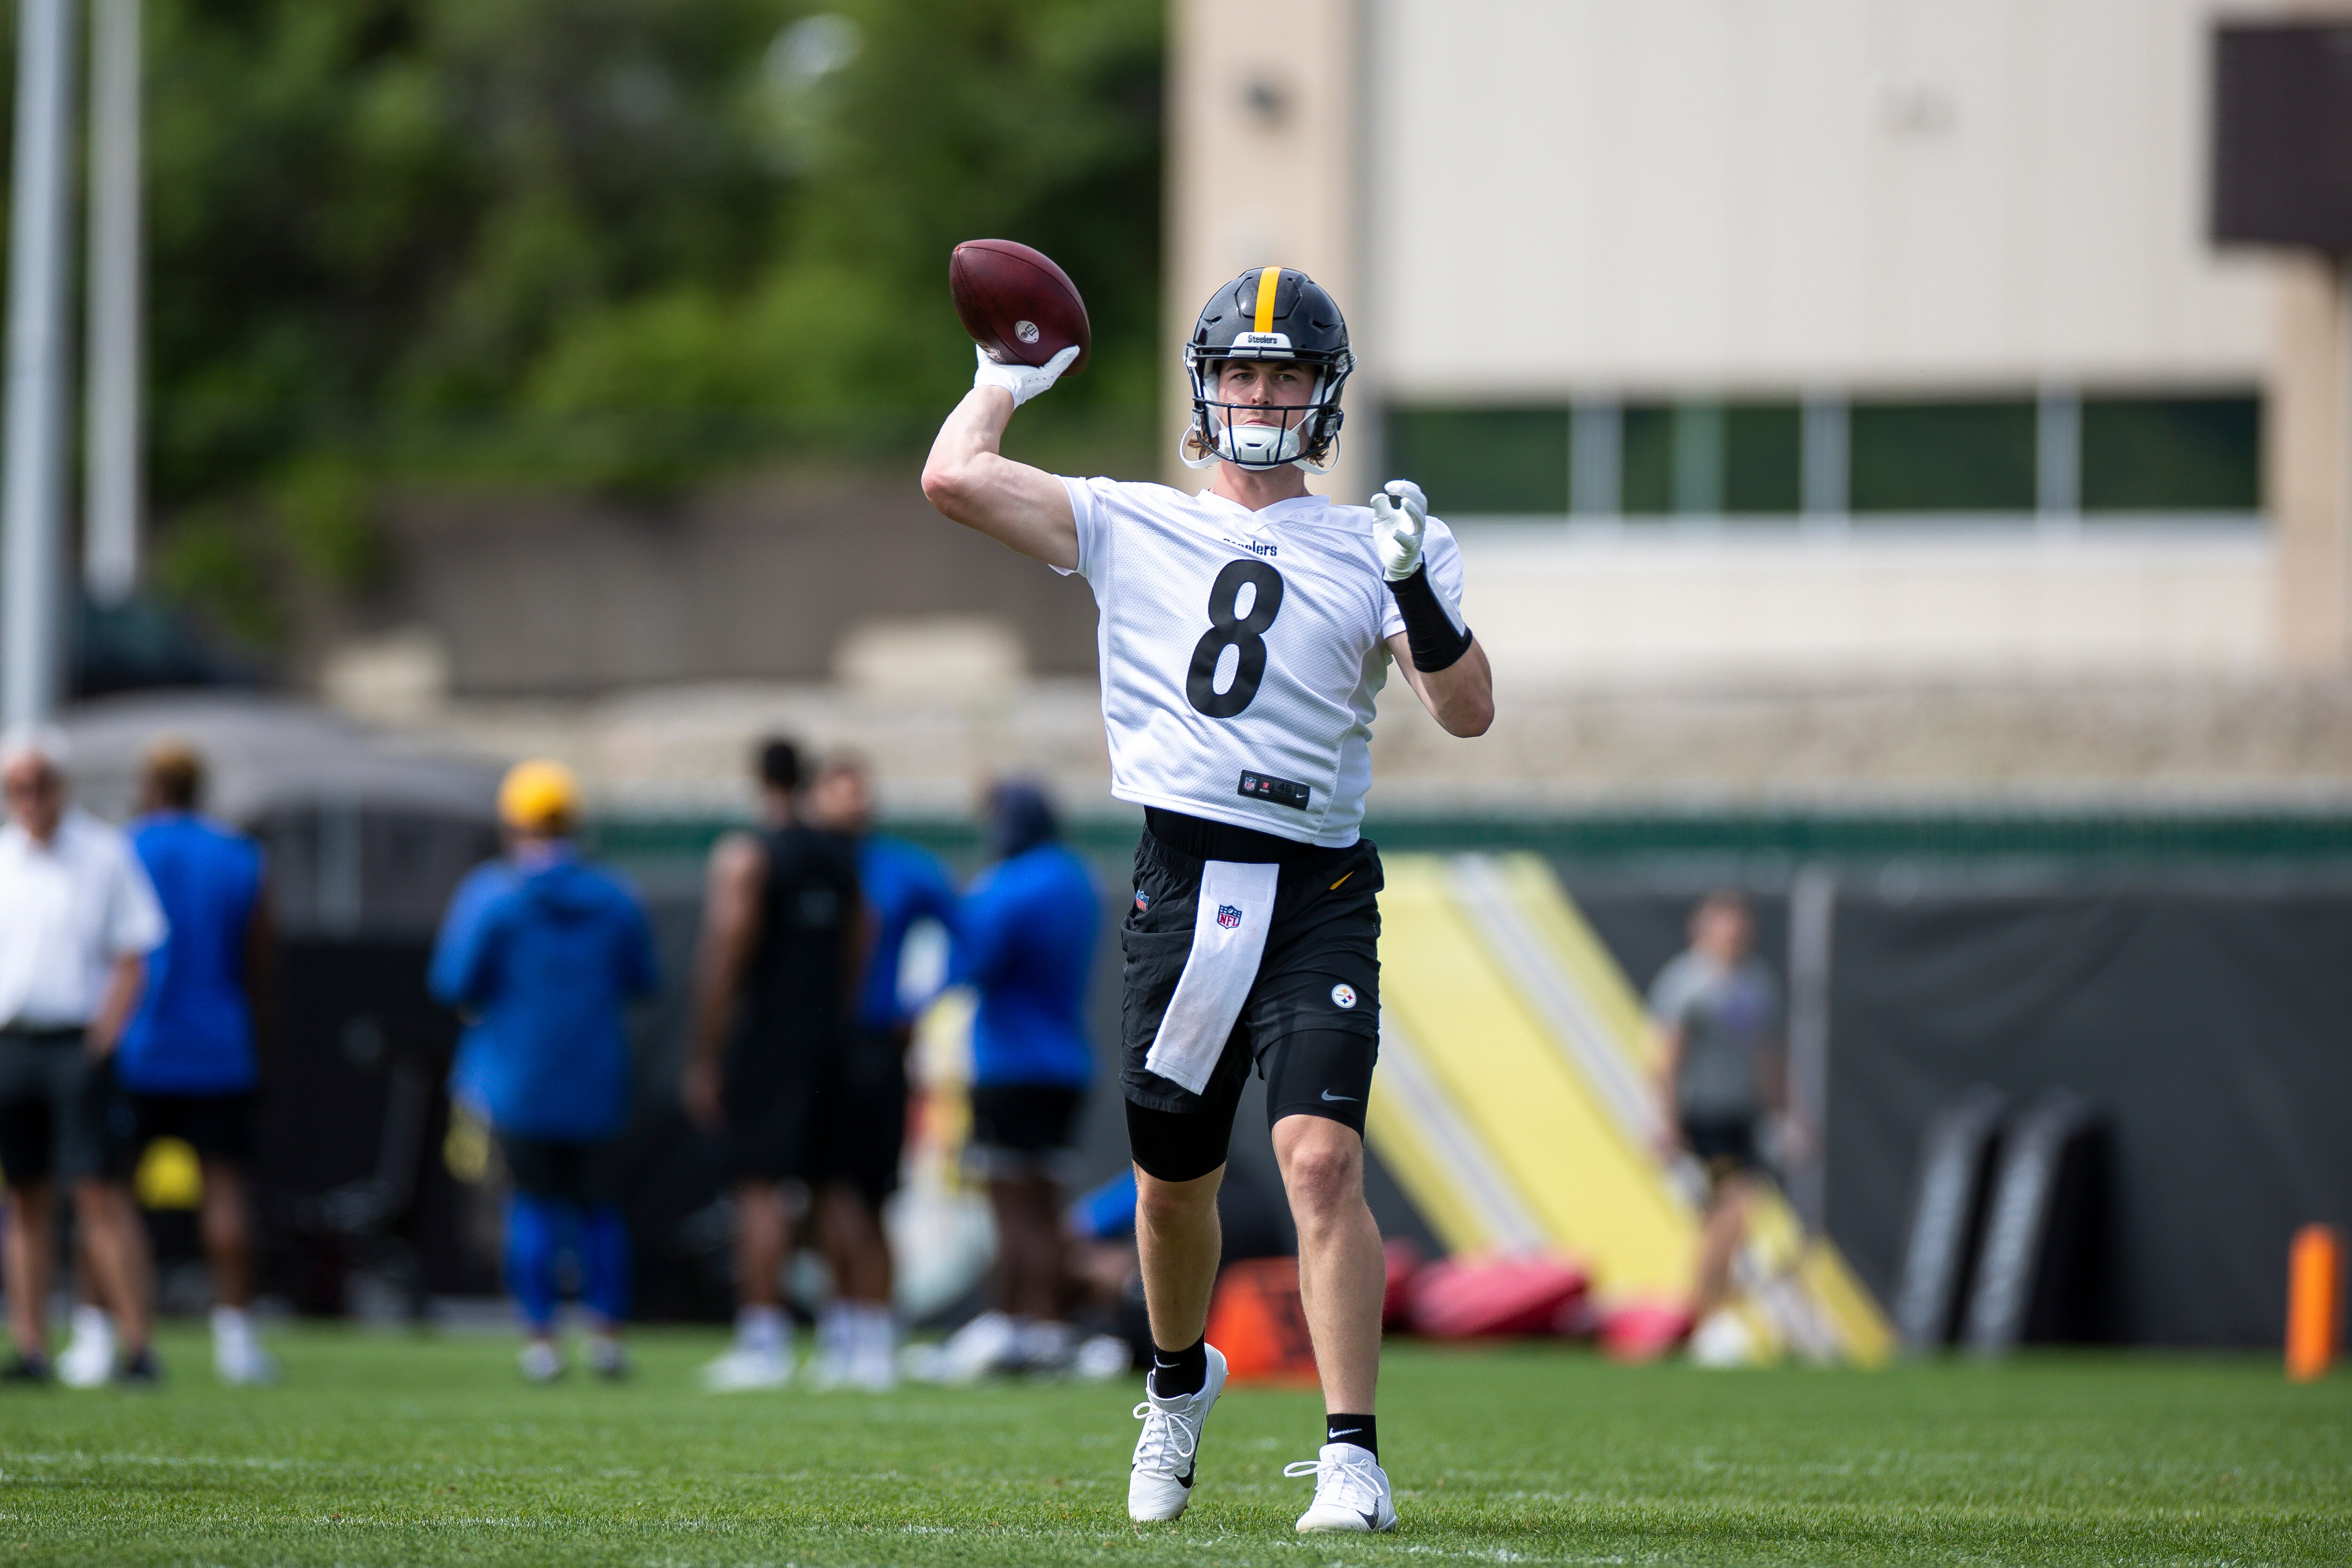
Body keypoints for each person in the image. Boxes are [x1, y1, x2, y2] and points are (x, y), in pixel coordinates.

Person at [921, 265, 1493, 1532]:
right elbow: (954, 479)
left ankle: (1352, 1451)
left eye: (1286, 374)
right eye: (1242, 370)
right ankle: (1177, 1385)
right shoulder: (1133, 519)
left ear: (1324, 396)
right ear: (1207, 388)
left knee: (1320, 1157)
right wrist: (1001, 379)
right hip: (1185, 883)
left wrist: (1413, 586)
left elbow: (1466, 710)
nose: (1261, 393)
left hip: (1317, 883)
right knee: (1170, 1182)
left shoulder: (1380, 540)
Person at [430, 759, 657, 1382]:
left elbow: (453, 980)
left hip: (517, 1080)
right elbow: (643, 980)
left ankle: (542, 1341)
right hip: (595, 1079)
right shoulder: (616, 895)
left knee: (531, 1205)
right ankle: (607, 1337)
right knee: (599, 1209)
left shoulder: (492, 894)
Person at [685, 738, 863, 1391]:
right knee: (832, 1187)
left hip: (766, 1040)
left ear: (761, 780)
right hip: (829, 1038)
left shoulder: (749, 854)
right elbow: (860, 941)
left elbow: (726, 955)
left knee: (758, 1190)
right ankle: (847, 1339)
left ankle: (765, 1340)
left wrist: (706, 1053)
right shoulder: (843, 858)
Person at [0, 725, 167, 1385]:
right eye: (16, 787)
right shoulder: (6, 857)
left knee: (98, 1194)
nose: (28, 799)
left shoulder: (103, 854)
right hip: (13, 1041)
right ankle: (32, 1344)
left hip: (75, 1043)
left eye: (38, 785)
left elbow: (134, 954)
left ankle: (138, 1344)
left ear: (62, 787)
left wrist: (103, 1036)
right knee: (26, 1196)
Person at [922, 779, 1102, 1381]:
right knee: (1046, 1205)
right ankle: (1046, 1326)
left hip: (1009, 1064)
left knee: (1010, 1202)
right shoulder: (1075, 878)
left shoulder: (1009, 885)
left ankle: (1006, 1324)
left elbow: (967, 964)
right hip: (1066, 1063)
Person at [115, 740, 277, 1385]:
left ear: (149, 786)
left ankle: (102, 1334)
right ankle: (236, 1340)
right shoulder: (240, 857)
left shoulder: (123, 850)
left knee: (111, 1197)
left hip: (140, 1043)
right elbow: (260, 959)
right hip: (219, 1045)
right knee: (226, 1189)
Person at [801, 752, 958, 1390]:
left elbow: (964, 931)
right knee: (822, 1191)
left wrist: (920, 1000)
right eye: (837, 791)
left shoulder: (899, 869)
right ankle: (843, 1325)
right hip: (814, 1048)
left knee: (864, 1191)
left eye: (858, 791)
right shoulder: (799, 865)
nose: (851, 804)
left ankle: (874, 1330)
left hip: (873, 1048)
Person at [1646, 891, 1789, 1331]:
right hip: (1704, 1117)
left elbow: (1767, 1054)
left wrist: (1785, 1111)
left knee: (1729, 1217)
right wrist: (1667, 1120)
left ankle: (1708, 1307)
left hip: (1742, 1116)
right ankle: (1706, 1310)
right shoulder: (1687, 983)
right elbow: (1665, 1058)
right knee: (1733, 1207)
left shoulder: (1757, 982)